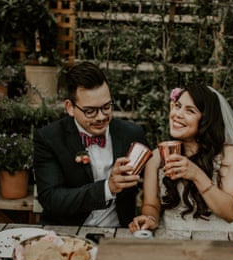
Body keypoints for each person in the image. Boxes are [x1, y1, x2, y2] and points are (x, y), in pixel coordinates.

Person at [129, 85, 233, 234]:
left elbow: (230, 213)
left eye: (189, 111)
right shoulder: (156, 157)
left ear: (205, 120)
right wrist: (149, 218)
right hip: (173, 239)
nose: (177, 114)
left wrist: (196, 174)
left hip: (219, 241)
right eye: (177, 106)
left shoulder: (227, 155)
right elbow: (151, 205)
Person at [34, 61, 148, 226]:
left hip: (118, 233)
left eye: (106, 107)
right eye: (90, 111)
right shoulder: (49, 138)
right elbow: (51, 199)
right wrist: (107, 189)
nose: (101, 117)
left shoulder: (132, 134)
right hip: (67, 233)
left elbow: (153, 181)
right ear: (70, 107)